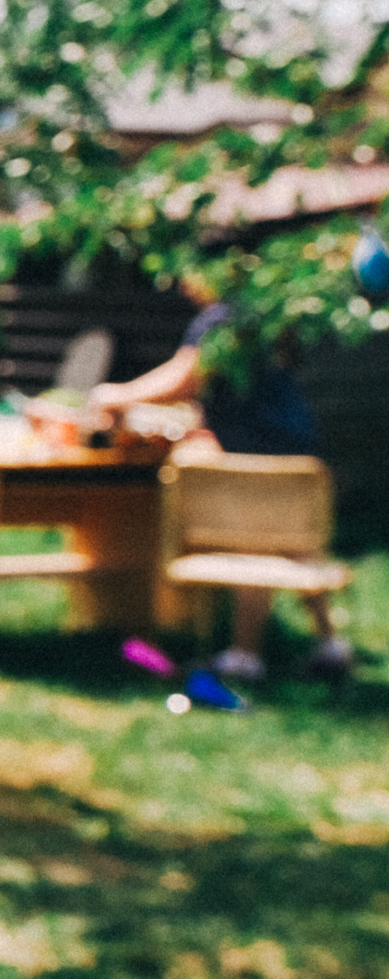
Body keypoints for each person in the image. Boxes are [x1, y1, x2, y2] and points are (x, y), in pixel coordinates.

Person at [91, 277, 349, 680]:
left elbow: (185, 378)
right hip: (296, 442)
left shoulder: (220, 319)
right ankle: (329, 644)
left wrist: (117, 394)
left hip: (255, 448)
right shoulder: (267, 311)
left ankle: (245, 655)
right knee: (297, 540)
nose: (185, 286)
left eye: (191, 275)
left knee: (253, 543)